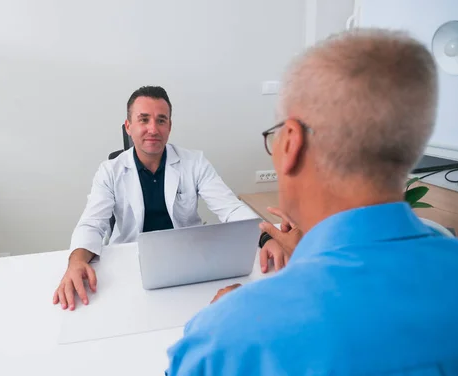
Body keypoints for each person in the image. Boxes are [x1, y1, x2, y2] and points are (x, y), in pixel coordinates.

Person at [150, 29, 458, 376]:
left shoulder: (230, 338)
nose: (152, 129)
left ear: (292, 142)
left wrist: (220, 321)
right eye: (143, 120)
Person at [53, 86, 285, 310]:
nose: (153, 129)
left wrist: (266, 237)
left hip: (189, 260)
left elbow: (230, 208)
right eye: (143, 119)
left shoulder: (194, 163)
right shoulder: (110, 171)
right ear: (128, 126)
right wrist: (76, 262)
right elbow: (92, 223)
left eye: (160, 120)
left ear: (169, 126)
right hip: (131, 262)